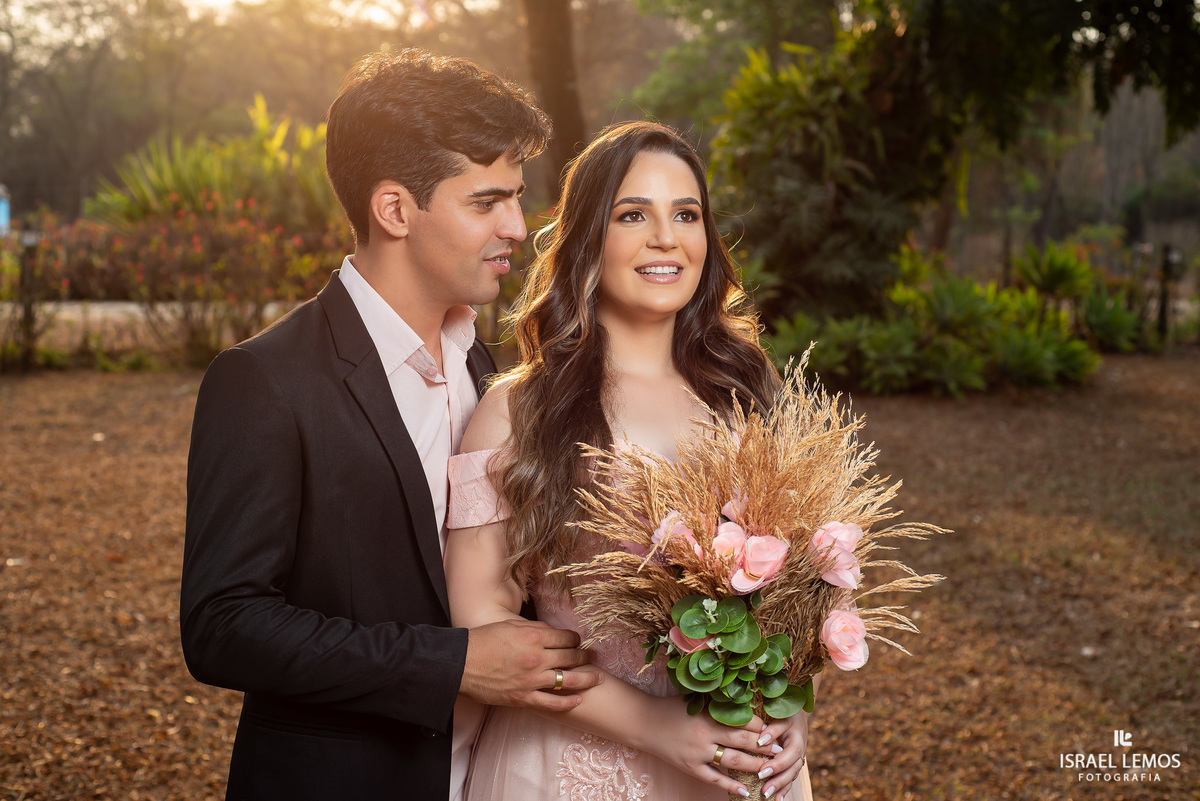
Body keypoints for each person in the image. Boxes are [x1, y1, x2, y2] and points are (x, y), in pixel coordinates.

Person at [179, 49, 602, 801]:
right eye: (486, 202)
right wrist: (454, 664)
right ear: (396, 209)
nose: (517, 226)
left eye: (516, 198)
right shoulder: (264, 381)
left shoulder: (496, 374)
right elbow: (224, 623)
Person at [444, 121, 816, 801]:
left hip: (738, 765)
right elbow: (479, 622)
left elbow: (795, 602)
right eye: (633, 214)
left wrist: (791, 706)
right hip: (569, 765)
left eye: (686, 214)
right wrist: (654, 724)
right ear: (590, 237)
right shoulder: (519, 409)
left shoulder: (746, 392)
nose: (666, 237)